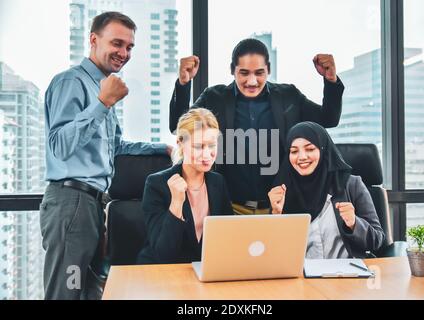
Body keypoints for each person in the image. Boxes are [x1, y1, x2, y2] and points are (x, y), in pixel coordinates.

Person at [40, 11, 170, 300]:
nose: (124, 53)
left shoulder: (102, 87)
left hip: (92, 207)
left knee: (89, 294)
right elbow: (59, 145)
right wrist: (102, 102)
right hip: (71, 205)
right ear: (93, 40)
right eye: (117, 43)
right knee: (67, 292)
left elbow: (117, 147)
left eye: (129, 47)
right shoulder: (71, 82)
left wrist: (165, 149)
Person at [170, 38, 344, 214]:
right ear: (232, 70)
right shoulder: (214, 98)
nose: (252, 81)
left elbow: (328, 119)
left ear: (268, 69)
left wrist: (331, 81)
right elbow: (180, 128)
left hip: (280, 206)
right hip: (228, 207)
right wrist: (184, 84)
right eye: (244, 73)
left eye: (259, 73)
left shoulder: (288, 96)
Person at [268, 122, 385, 258]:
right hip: (302, 275)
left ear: (323, 150)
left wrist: (354, 223)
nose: (302, 157)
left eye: (310, 149)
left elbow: (377, 241)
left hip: (347, 273)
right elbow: (273, 252)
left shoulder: (351, 185)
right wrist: (276, 214)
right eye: (294, 151)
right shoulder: (282, 192)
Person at [137, 108, 233, 264]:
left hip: (203, 271)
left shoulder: (217, 182)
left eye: (212, 145)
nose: (207, 155)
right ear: (180, 143)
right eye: (198, 146)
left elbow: (229, 236)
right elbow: (163, 254)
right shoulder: (156, 184)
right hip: (164, 273)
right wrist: (176, 203)